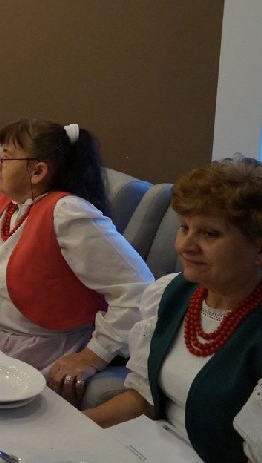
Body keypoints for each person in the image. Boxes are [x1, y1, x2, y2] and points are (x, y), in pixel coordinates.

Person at [84, 157, 262, 462]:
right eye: (184, 227)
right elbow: (143, 400)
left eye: (210, 234)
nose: (185, 246)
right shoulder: (172, 293)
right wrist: (72, 428)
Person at [0, 118, 154, 400]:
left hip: (41, 350)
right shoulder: (13, 202)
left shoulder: (68, 213)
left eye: (5, 156)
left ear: (38, 171)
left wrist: (93, 356)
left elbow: (140, 290)